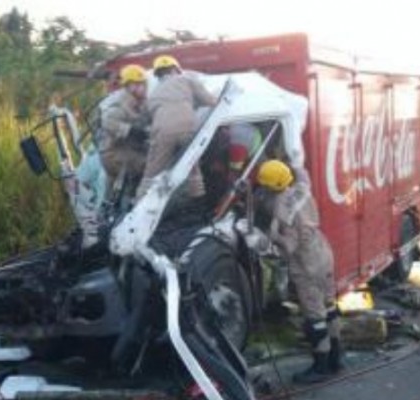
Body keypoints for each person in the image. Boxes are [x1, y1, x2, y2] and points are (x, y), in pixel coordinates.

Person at [237, 160, 341, 384]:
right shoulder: (301, 188)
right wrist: (295, 159)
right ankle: (336, 358)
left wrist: (261, 239)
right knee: (330, 305)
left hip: (307, 265)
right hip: (324, 252)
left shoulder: (283, 213)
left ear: (268, 187)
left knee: (315, 316)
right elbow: (304, 174)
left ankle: (321, 367)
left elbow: (289, 247)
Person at [135, 55, 217, 199]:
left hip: (162, 133)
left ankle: (140, 201)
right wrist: (193, 104)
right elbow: (210, 100)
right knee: (192, 165)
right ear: (175, 69)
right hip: (187, 129)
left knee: (152, 171)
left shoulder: (153, 94)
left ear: (158, 75)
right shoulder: (187, 80)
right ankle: (197, 199)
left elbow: (145, 120)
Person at [99, 64, 149, 190]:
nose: (142, 88)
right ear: (128, 87)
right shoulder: (121, 104)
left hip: (129, 151)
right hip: (115, 154)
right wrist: (130, 130)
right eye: (137, 85)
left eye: (142, 84)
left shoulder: (142, 103)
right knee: (151, 166)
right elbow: (107, 121)